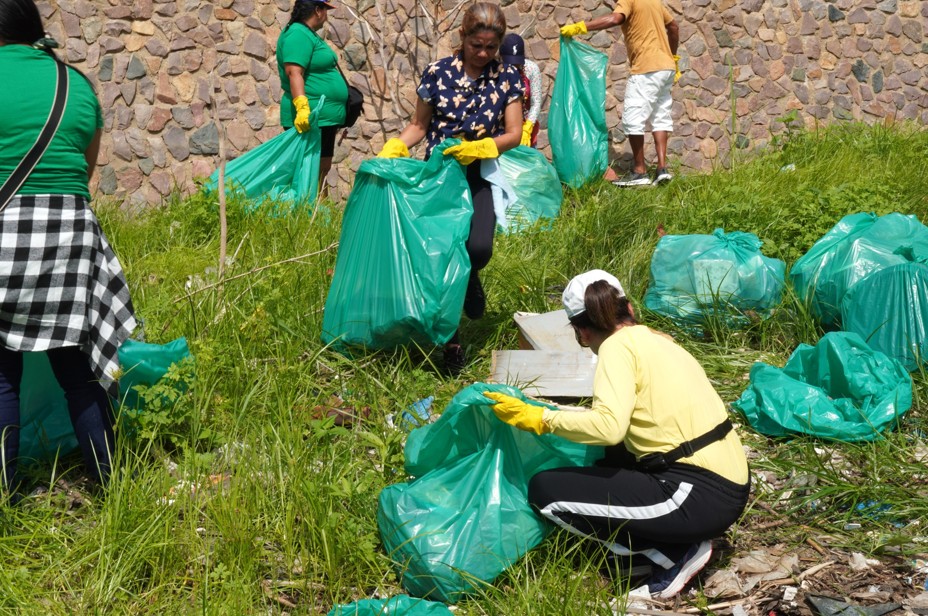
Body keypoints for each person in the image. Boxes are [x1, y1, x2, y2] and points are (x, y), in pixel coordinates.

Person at [484, 270, 749, 599]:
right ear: (630, 309)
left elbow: (609, 427)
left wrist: (542, 418)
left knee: (546, 491)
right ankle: (648, 552)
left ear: (582, 332)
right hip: (727, 482)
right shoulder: (659, 341)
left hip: (696, 495)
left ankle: (672, 555)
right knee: (610, 457)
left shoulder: (615, 348)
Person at [0, 0, 136, 499]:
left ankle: (4, 494)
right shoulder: (76, 85)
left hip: (4, 240)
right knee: (78, 370)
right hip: (70, 242)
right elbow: (86, 170)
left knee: (1, 374)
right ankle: (110, 486)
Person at [376, 2, 524, 374]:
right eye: (478, 45)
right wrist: (397, 145)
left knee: (478, 248)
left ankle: (472, 276)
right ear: (463, 37)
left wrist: (484, 146)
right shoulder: (437, 73)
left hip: (479, 173)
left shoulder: (506, 76)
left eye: (491, 47)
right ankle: (451, 343)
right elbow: (419, 125)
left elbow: (515, 132)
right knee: (443, 259)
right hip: (439, 178)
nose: (484, 53)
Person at [561, 0, 680, 187]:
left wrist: (581, 27)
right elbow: (673, 26)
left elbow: (616, 18)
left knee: (633, 118)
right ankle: (662, 169)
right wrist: (672, 57)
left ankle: (639, 172)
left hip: (646, 68)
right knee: (660, 116)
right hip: (666, 68)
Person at [276, 0, 349, 197]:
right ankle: (307, 214)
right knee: (308, 168)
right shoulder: (297, 33)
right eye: (326, 9)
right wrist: (302, 107)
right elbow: (294, 72)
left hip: (323, 118)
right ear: (317, 10)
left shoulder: (308, 34)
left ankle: (320, 214)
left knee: (321, 167)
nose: (327, 15)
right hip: (310, 117)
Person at [500, 33, 544, 148]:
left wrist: (527, 127)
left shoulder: (531, 69)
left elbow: (536, 102)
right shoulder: (496, 69)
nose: (514, 66)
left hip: (525, 130)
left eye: (517, 62)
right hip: (501, 132)